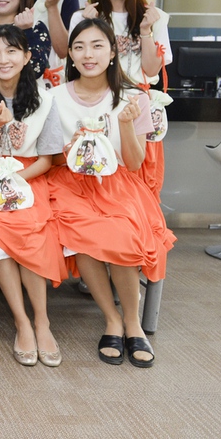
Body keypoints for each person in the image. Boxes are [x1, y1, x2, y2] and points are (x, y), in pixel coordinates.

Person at [48, 18, 175, 368]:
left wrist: (123, 125)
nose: (88, 54)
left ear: (113, 51)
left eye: (97, 45)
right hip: (71, 182)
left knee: (124, 234)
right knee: (83, 234)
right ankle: (111, 318)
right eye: (79, 47)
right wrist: (70, 150)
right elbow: (52, 158)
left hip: (119, 182)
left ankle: (133, 323)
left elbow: (134, 164)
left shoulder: (135, 98)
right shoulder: (54, 98)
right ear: (70, 56)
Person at [0, 25, 66, 367]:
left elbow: (48, 159)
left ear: (26, 56)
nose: (3, 59)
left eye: (11, 51)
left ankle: (42, 321)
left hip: (28, 173)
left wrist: (17, 177)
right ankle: (21, 321)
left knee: (31, 228)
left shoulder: (46, 98)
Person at [78, 0, 173, 200]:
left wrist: (146, 30)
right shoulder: (85, 16)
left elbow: (152, 69)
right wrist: (89, 25)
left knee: (141, 182)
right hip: (98, 107)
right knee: (96, 177)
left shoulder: (156, 17)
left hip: (137, 107)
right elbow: (76, 67)